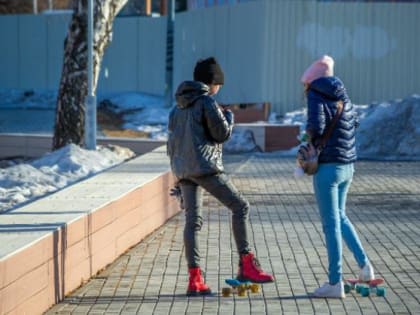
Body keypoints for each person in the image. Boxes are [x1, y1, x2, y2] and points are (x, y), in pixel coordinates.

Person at [167, 57, 274, 296]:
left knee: (192, 223)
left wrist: (178, 175)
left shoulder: (177, 107)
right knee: (240, 206)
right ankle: (246, 266)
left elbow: (172, 143)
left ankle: (195, 279)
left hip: (184, 171)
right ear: (212, 82)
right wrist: (229, 118)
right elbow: (222, 134)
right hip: (206, 169)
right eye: (219, 83)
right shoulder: (206, 101)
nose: (220, 88)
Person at [301, 55, 375, 298]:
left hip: (328, 169)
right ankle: (365, 268)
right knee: (341, 218)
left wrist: (307, 143)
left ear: (312, 80)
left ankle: (335, 282)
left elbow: (316, 127)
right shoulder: (343, 94)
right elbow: (353, 124)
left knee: (330, 224)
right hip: (347, 166)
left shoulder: (316, 94)